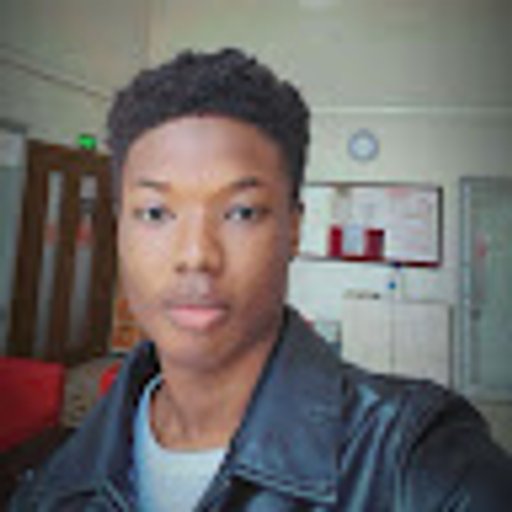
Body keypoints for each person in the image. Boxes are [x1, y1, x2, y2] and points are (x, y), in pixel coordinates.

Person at [10, 47, 512, 511]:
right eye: (156, 212)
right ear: (119, 227)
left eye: (242, 212)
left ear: (293, 229)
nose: (196, 255)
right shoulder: (52, 483)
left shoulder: (415, 460)